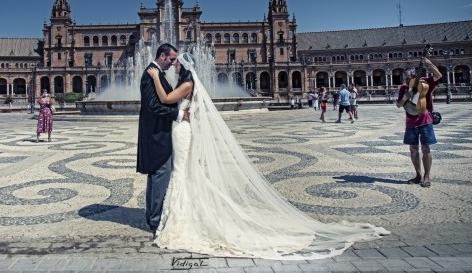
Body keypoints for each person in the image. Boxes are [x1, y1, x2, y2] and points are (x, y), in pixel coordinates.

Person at [148, 52, 389, 260]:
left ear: (184, 66)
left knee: (182, 170)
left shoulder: (188, 83)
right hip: (181, 128)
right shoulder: (188, 82)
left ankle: (183, 216)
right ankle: (188, 212)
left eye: (176, 63)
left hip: (182, 131)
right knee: (186, 171)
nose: (174, 66)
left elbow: (167, 99)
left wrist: (154, 76)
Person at [137, 43, 188, 234]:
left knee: (156, 174)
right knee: (160, 173)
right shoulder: (151, 74)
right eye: (171, 59)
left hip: (159, 132)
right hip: (156, 134)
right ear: (161, 56)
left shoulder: (156, 73)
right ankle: (155, 219)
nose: (173, 63)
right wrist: (179, 115)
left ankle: (152, 215)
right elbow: (152, 106)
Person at [396, 58, 442, 188]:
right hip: (410, 121)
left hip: (425, 119)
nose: (406, 80)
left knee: (426, 148)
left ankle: (427, 176)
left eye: (409, 77)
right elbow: (399, 105)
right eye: (405, 77)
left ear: (415, 75)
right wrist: (405, 98)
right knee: (413, 149)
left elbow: (438, 75)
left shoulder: (425, 82)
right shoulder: (404, 88)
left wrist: (429, 64)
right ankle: (418, 175)